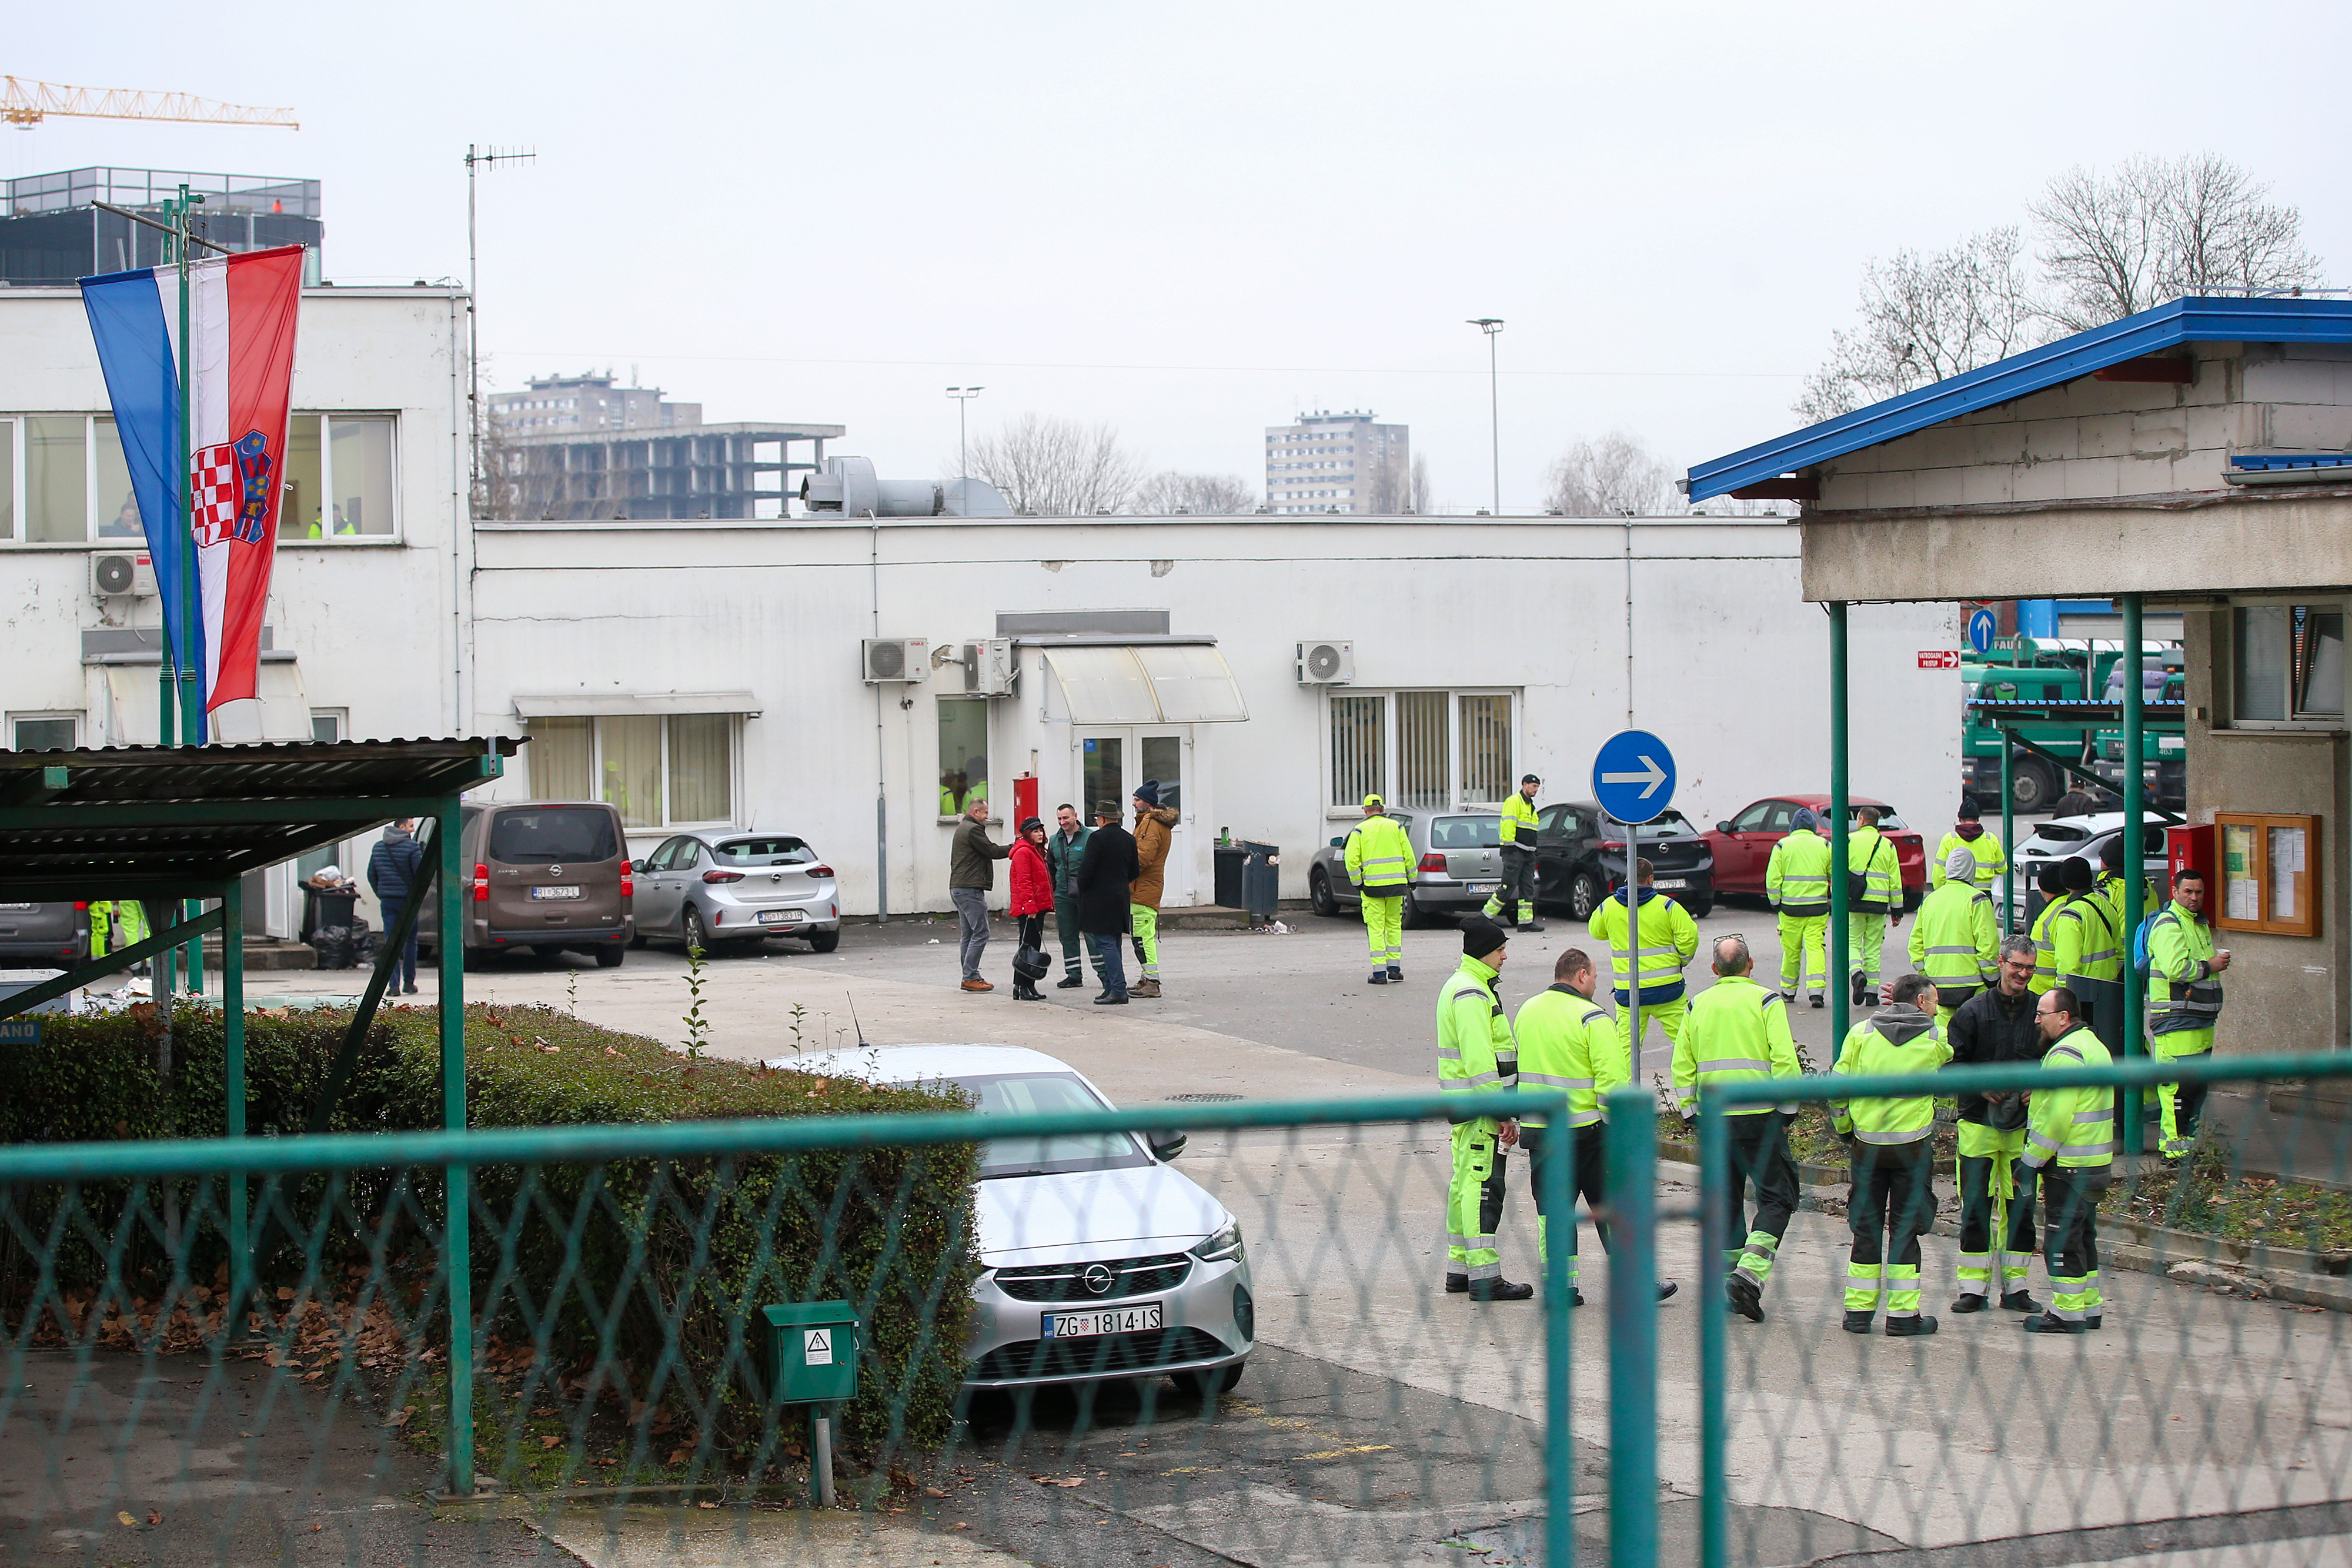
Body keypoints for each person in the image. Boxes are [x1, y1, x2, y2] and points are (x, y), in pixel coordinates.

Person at [1514, 947, 1678, 1306]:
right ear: (1582, 975)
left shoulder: (1527, 1011)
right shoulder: (1592, 1017)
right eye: (1595, 977)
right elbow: (1612, 1085)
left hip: (1540, 1132)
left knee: (1553, 1212)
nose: (1596, 985)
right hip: (1587, 1134)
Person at [1674, 936, 1802, 1323]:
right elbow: (1784, 1059)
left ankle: (1729, 1283)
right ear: (1751, 964)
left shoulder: (1697, 1004)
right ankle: (1747, 1277)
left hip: (1715, 1119)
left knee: (1726, 1201)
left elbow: (1683, 1064)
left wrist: (1692, 1113)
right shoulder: (1766, 1001)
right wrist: (1787, 1111)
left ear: (1715, 969)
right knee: (1778, 1198)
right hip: (1760, 1117)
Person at [1830, 972, 1952, 1337]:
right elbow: (1949, 1054)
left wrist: (1845, 1129)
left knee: (1866, 1228)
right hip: (1911, 1148)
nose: (1937, 1009)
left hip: (1867, 1145)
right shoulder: (1935, 1037)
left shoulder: (1861, 1033)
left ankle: (1858, 1313)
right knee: (1905, 1229)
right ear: (1921, 1003)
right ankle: (1902, 1315)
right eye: (1934, 1002)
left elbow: (1837, 1089)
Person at [1945, 934, 2047, 1315]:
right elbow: (1950, 1064)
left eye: (2030, 968)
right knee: (1975, 1208)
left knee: (2021, 1209)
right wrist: (1979, 1084)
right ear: (2001, 963)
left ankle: (2016, 1288)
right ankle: (1973, 1289)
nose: (2023, 973)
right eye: (2017, 965)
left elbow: (2055, 1061)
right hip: (1978, 1125)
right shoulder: (1972, 1012)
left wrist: (2038, 1086)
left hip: (2024, 1130)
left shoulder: (2041, 1012)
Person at [1438, 917, 1530, 1302]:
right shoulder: (1473, 993)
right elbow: (1481, 1062)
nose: (1505, 956)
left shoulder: (1464, 986)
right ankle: (1485, 1276)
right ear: (1483, 952)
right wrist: (1500, 1111)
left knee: (1464, 1184)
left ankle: (1460, 1269)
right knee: (1482, 1187)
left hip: (1467, 1106)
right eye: (1500, 950)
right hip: (1481, 1109)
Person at [2019, 986, 2115, 1333]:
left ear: (2063, 1017)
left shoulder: (2066, 1053)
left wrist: (2030, 1161)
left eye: (2041, 1014)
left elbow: (2057, 1119)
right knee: (2084, 1236)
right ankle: (2089, 1307)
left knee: (2062, 1240)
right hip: (2094, 1160)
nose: (2037, 1021)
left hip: (2068, 1163)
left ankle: (2067, 1313)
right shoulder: (2094, 1046)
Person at [2147, 866, 2229, 1159]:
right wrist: (2211, 965)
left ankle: (2186, 1147)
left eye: (2199, 892)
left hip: (2199, 1017)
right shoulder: (2170, 924)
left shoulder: (2197, 923)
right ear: (2175, 893)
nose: (2194, 897)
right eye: (2188, 892)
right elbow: (2176, 969)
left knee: (2194, 1088)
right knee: (2178, 1089)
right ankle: (2176, 1152)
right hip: (2177, 1017)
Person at [1588, 858, 1700, 1058]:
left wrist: (1617, 930)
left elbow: (1596, 931)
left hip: (1629, 992)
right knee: (1687, 1044)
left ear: (1627, 879)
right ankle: (1694, 1078)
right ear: (1650, 879)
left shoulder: (1608, 907)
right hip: (1667, 990)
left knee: (1625, 1050)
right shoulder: (1667, 906)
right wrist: (1681, 961)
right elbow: (1689, 937)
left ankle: (1625, 1080)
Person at [1910, 847, 1999, 1028]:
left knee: (1944, 1036)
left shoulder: (1930, 901)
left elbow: (1915, 946)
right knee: (1974, 1034)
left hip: (1938, 986)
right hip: (1974, 985)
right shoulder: (1977, 899)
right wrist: (1993, 980)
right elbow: (1988, 946)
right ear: (1972, 869)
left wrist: (1927, 976)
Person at [2051, 857, 2124, 1057]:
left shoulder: (2071, 914)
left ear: (2064, 882)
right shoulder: (2106, 905)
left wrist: (2062, 998)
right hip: (2108, 991)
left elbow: (2068, 965)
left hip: (2084, 998)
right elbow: (2119, 952)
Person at [1344, 793, 1415, 984]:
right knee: (1394, 926)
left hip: (1372, 888)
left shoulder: (1360, 830)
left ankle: (1379, 973)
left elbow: (1351, 860)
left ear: (1366, 810)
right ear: (1382, 810)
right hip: (1397, 886)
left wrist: (1358, 883)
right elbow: (1408, 855)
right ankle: (1395, 969)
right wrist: (1413, 880)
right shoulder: (1397, 827)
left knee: (1376, 929)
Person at [1765, 807, 1833, 1006]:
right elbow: (1835, 874)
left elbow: (1773, 879)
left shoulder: (1782, 846)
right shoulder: (1825, 845)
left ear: (1793, 827)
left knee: (1791, 952)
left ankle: (1788, 991)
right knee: (1815, 949)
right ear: (1813, 827)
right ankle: (1816, 993)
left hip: (1790, 909)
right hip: (1817, 908)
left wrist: (1776, 902)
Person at [1074, 803, 1138, 1005]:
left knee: (1105, 943)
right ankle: (1111, 987)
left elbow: (1086, 870)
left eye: (1097, 818)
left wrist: (1082, 886)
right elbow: (1135, 871)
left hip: (1099, 898)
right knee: (1114, 942)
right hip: (1121, 896)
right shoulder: (1129, 838)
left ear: (1102, 819)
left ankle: (1118, 989)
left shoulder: (1097, 838)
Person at [947, 797, 1011, 993]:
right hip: (969, 889)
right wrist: (1015, 847)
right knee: (981, 933)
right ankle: (970, 977)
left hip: (959, 887)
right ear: (976, 812)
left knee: (969, 934)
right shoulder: (973, 830)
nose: (987, 817)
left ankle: (971, 975)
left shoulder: (963, 827)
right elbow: (991, 850)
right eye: (985, 813)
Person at [1846, 805, 1905, 1008]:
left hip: (1855, 901)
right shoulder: (1888, 845)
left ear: (1861, 820)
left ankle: (1856, 974)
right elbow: (1895, 881)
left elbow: (1837, 870)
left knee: (1852, 943)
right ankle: (1871, 994)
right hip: (1879, 905)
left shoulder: (1849, 841)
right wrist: (1897, 911)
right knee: (1873, 948)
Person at [1127, 783, 1179, 998]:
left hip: (1143, 889)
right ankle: (1146, 979)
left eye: (1137, 800)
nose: (1134, 803)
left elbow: (1143, 858)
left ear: (1147, 803)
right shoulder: (1154, 823)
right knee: (1141, 937)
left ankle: (1152, 982)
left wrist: (1121, 869)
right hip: (1145, 888)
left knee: (1142, 938)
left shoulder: (1150, 824)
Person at [367, 818, 426, 997]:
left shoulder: (378, 847)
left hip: (388, 901)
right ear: (401, 827)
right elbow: (420, 874)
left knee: (391, 942)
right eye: (411, 826)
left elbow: (371, 874)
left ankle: (393, 986)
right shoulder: (412, 847)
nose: (413, 829)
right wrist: (416, 896)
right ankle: (409, 983)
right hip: (408, 901)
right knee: (410, 941)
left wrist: (382, 893)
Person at [1045, 804, 1101, 990]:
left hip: (1087, 894)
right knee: (1067, 935)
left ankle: (1104, 974)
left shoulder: (1090, 837)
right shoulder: (1055, 840)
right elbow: (1051, 868)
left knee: (1093, 934)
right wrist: (1054, 891)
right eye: (1059, 819)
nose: (1063, 822)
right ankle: (1073, 975)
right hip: (1063, 894)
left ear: (1075, 816)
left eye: (1066, 818)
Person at [1482, 774, 1545, 933]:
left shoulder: (1529, 805)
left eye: (1537, 787)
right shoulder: (1514, 801)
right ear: (1525, 785)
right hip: (1515, 851)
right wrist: (1510, 847)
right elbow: (1508, 824)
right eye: (1533, 786)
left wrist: (1533, 849)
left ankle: (1525, 922)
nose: (1536, 790)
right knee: (1508, 886)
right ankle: (1484, 918)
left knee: (1528, 888)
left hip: (1528, 852)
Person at [1007, 817, 1053, 1001]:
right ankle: (1021, 986)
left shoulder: (1036, 851)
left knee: (1033, 947)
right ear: (1028, 834)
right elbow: (1024, 882)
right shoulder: (1024, 852)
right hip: (1029, 908)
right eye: (1036, 831)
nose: (1040, 834)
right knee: (1027, 947)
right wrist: (1030, 907)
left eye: (1041, 830)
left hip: (1037, 906)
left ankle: (1028, 985)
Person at [1932, 794, 2007, 892]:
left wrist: (1942, 891)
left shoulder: (1949, 839)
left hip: (1958, 893)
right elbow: (2002, 869)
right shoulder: (1991, 839)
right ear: (1977, 819)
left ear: (1960, 819)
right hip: (1983, 893)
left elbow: (1938, 875)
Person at [2026, 861, 2070, 994]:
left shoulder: (2052, 914)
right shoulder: (2071, 905)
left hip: (2046, 991)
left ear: (2042, 886)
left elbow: (2066, 961)